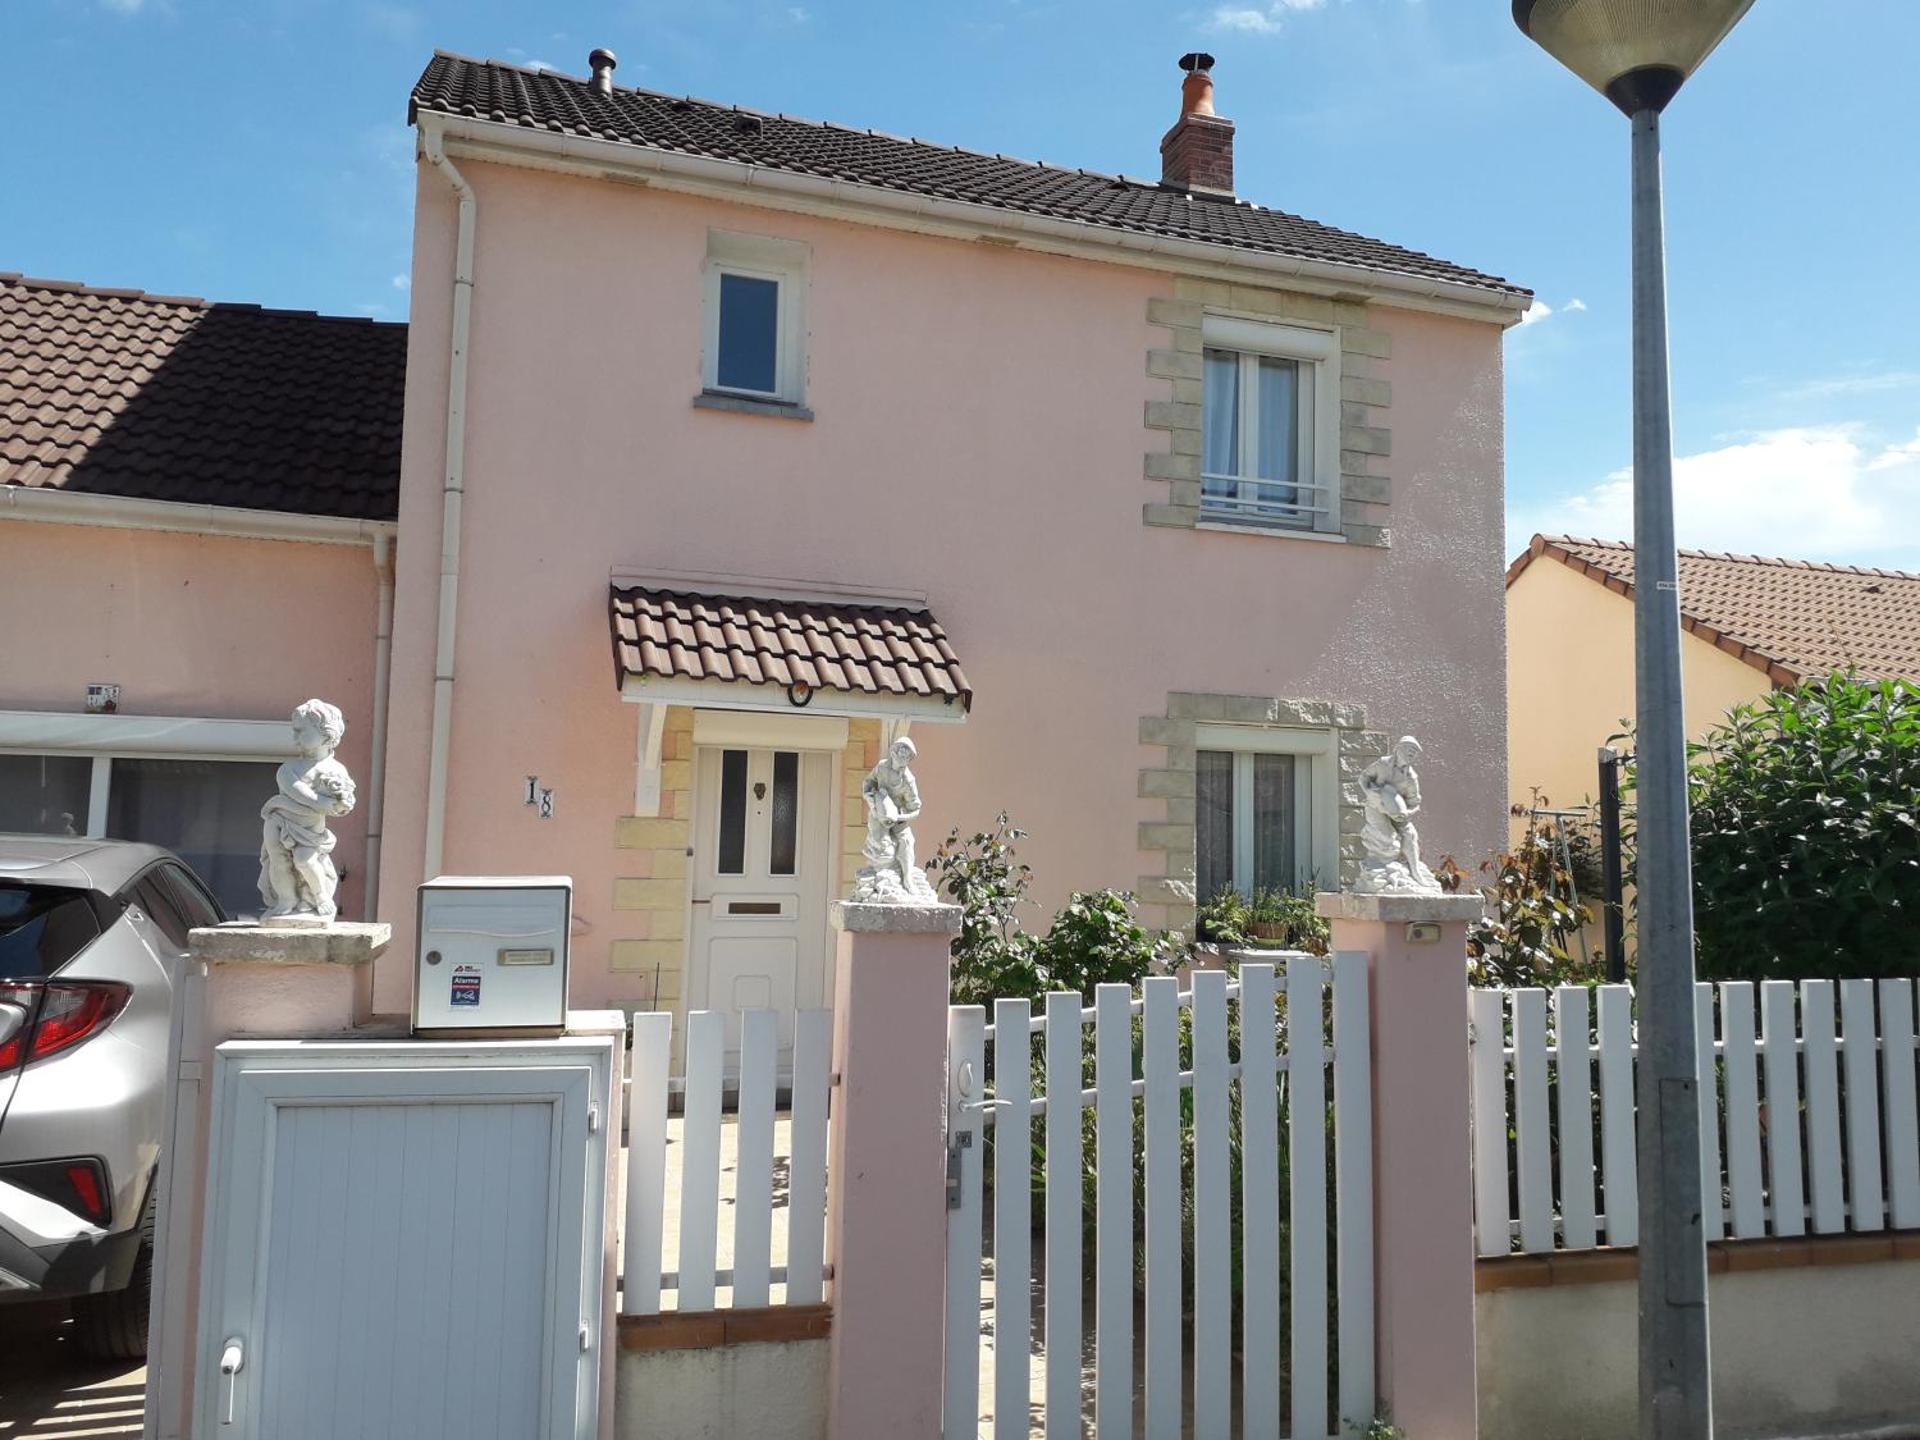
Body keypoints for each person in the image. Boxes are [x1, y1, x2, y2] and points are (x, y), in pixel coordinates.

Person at [258, 699, 357, 923]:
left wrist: (342, 804)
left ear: (326, 733)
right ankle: (286, 899)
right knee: (279, 860)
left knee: (305, 860)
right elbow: (300, 794)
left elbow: (344, 804)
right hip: (279, 821)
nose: (295, 738)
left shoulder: (336, 770)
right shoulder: (288, 769)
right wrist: (326, 803)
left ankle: (319, 897)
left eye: (300, 731)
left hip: (310, 828)